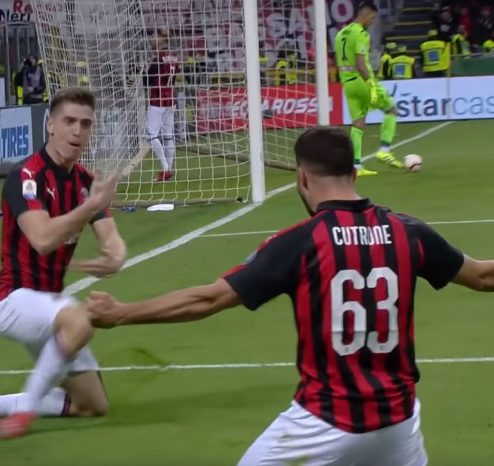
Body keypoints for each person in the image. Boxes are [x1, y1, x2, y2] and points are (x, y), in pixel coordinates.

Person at [87, 126, 494, 466]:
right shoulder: (408, 232)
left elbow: (208, 300)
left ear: (302, 178)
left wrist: (122, 313)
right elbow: (481, 276)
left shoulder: (300, 242)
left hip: (323, 423)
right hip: (398, 425)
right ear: (354, 172)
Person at [0, 88, 128, 440]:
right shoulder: (26, 177)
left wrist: (114, 257)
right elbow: (42, 239)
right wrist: (89, 207)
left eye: (85, 124)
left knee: (92, 405)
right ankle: (25, 411)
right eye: (69, 121)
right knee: (80, 320)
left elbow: (112, 239)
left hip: (49, 306)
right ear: (51, 126)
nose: (77, 131)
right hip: (13, 299)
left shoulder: (86, 182)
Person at [334, 0, 404, 177]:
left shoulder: (340, 33)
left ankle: (356, 166)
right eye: (372, 18)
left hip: (347, 83)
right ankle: (384, 151)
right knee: (391, 109)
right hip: (362, 81)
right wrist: (371, 84)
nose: (372, 22)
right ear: (366, 13)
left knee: (358, 124)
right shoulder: (360, 34)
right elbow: (360, 64)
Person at [144, 28, 179, 182]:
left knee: (152, 135)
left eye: (154, 36)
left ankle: (165, 169)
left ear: (161, 39)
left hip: (157, 99)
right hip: (171, 99)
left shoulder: (158, 58)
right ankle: (168, 170)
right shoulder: (174, 57)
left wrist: (140, 70)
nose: (151, 39)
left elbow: (147, 81)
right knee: (168, 135)